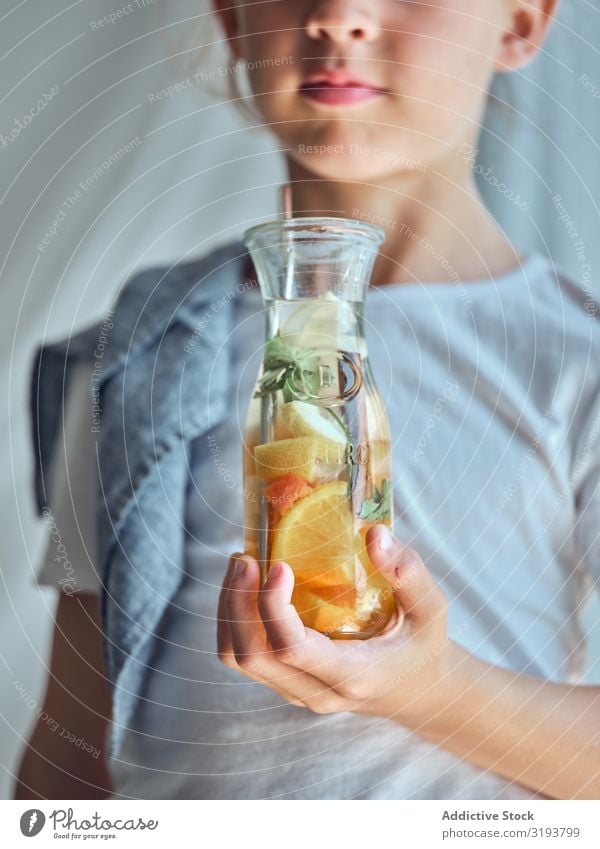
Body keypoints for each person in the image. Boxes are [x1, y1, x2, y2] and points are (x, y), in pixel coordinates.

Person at [16, 0, 600, 800]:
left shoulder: (578, 361)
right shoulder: (138, 354)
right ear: (232, 19)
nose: (338, 15)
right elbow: (69, 741)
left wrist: (434, 691)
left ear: (521, 24)